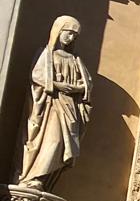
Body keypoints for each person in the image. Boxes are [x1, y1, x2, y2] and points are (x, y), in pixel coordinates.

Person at [16, 15, 92, 192]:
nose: (71, 38)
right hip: (50, 106)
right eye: (69, 33)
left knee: (63, 145)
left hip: (69, 107)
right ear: (58, 32)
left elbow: (87, 84)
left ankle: (45, 181)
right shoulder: (47, 54)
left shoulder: (76, 60)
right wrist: (57, 85)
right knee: (54, 140)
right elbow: (37, 76)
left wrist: (75, 88)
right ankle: (34, 177)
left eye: (75, 35)